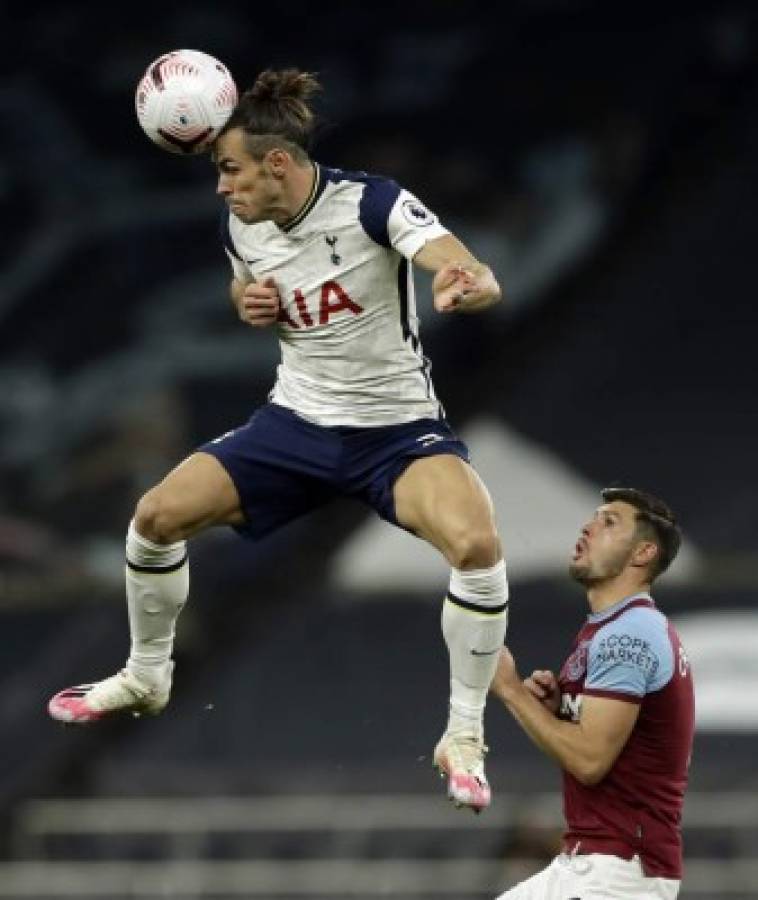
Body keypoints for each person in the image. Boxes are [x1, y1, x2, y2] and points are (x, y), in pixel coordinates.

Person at [48, 68, 509, 812]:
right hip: (295, 424)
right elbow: (245, 284)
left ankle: (463, 736)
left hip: (396, 433)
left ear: (279, 165)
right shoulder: (243, 223)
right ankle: (147, 672)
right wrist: (248, 301)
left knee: (479, 549)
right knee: (155, 518)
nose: (222, 188)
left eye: (229, 170)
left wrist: (466, 281)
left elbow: (456, 258)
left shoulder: (371, 202)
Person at [490, 487, 695, 898]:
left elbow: (589, 760)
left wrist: (510, 689)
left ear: (643, 554)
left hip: (619, 873)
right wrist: (559, 710)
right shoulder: (609, 628)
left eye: (609, 522)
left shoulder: (628, 632)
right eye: (594, 518)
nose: (588, 526)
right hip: (592, 863)